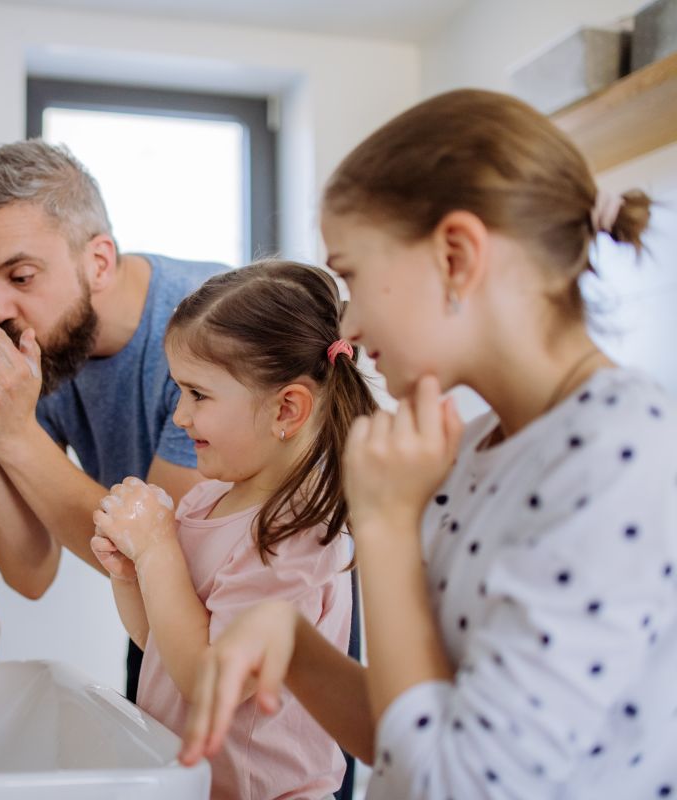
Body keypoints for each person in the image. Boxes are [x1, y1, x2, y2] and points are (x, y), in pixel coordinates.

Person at [178, 89, 677, 799]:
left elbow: (457, 785)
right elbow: (410, 739)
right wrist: (292, 640)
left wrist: (383, 524)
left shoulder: (621, 452)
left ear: (456, 255)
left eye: (349, 273)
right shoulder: (474, 451)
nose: (344, 326)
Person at [0, 140, 225, 699]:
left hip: (259, 627)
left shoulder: (211, 332)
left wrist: (12, 431)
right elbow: (30, 573)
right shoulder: (44, 350)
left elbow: (169, 552)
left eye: (22, 276)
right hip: (152, 628)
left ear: (99, 262)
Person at [91, 260, 374, 799]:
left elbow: (207, 680)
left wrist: (156, 552)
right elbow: (161, 645)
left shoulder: (298, 536)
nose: (179, 416)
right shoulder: (208, 498)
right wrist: (130, 576)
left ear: (286, 408)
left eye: (197, 394)